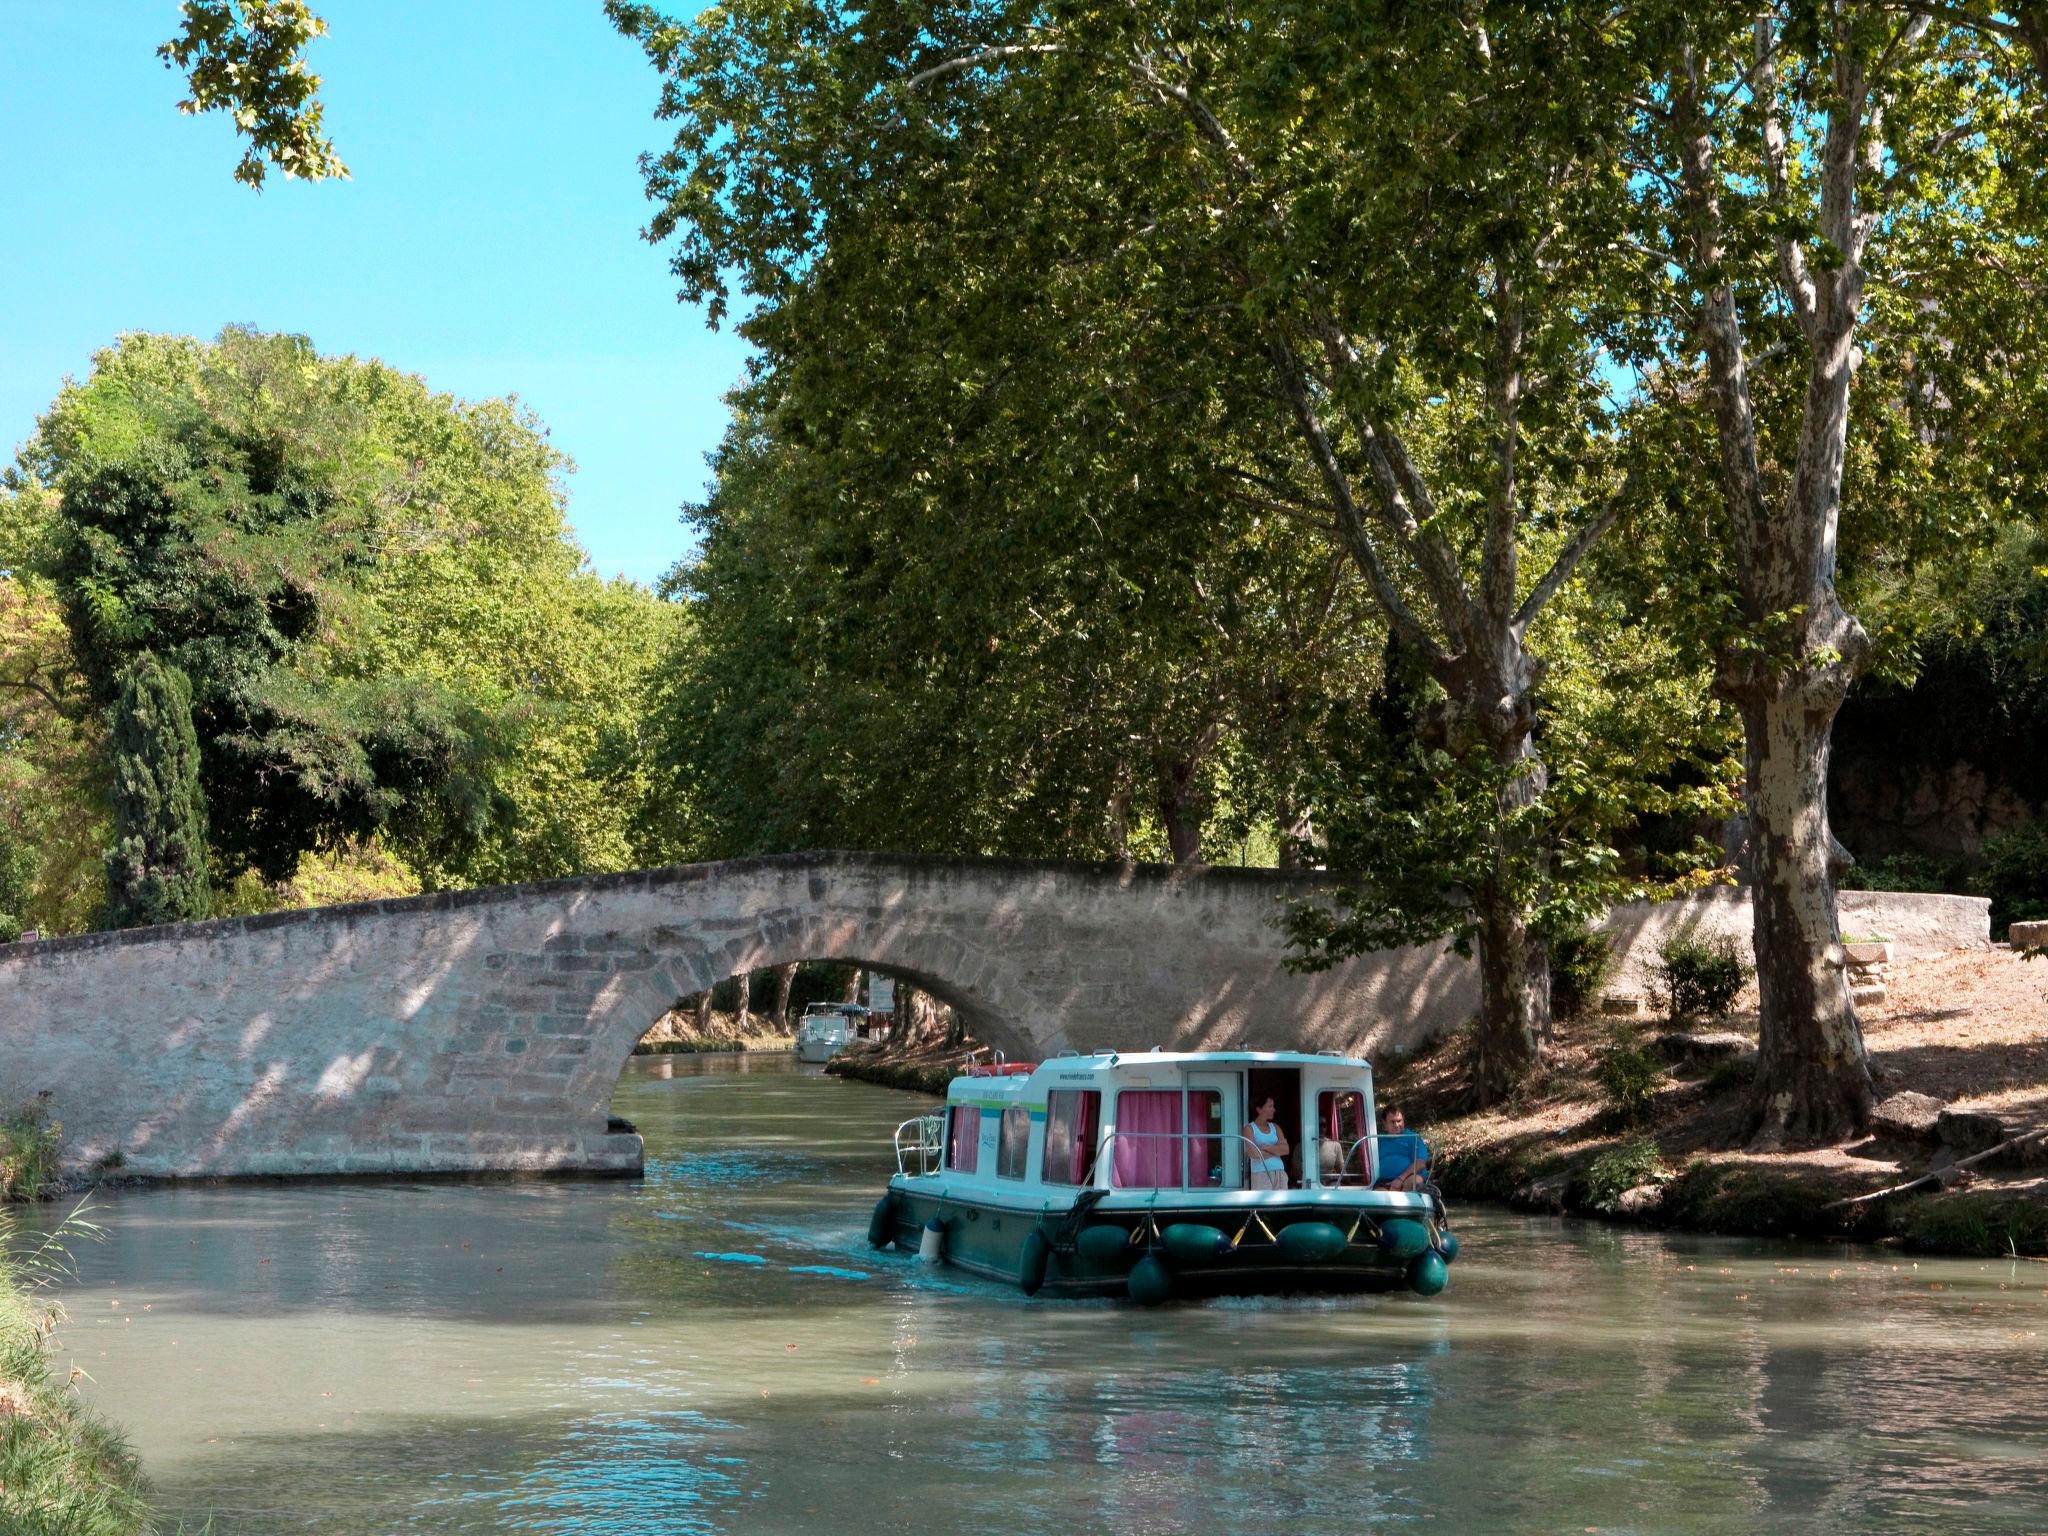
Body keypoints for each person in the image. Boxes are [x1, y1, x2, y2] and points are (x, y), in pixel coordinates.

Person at [1375, 1105, 1430, 1192]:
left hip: (1409, 1178)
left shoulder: (1413, 1137)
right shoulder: (1377, 1140)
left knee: (1413, 1181)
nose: (1397, 1125)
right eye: (1392, 1122)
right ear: (1384, 1123)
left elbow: (1421, 1163)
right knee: (1378, 1195)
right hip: (1384, 1182)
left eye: (1399, 1121)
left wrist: (1400, 1179)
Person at [1243, 1094, 1289, 1190]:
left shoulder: (1275, 1127)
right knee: (1264, 1205)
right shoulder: (1249, 1129)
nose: (1274, 1109)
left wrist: (1266, 1148)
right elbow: (1253, 1154)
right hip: (1261, 1173)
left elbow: (1286, 1150)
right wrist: (1276, 1151)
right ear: (1259, 1109)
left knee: (1281, 1204)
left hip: (1280, 1172)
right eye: (1270, 1106)